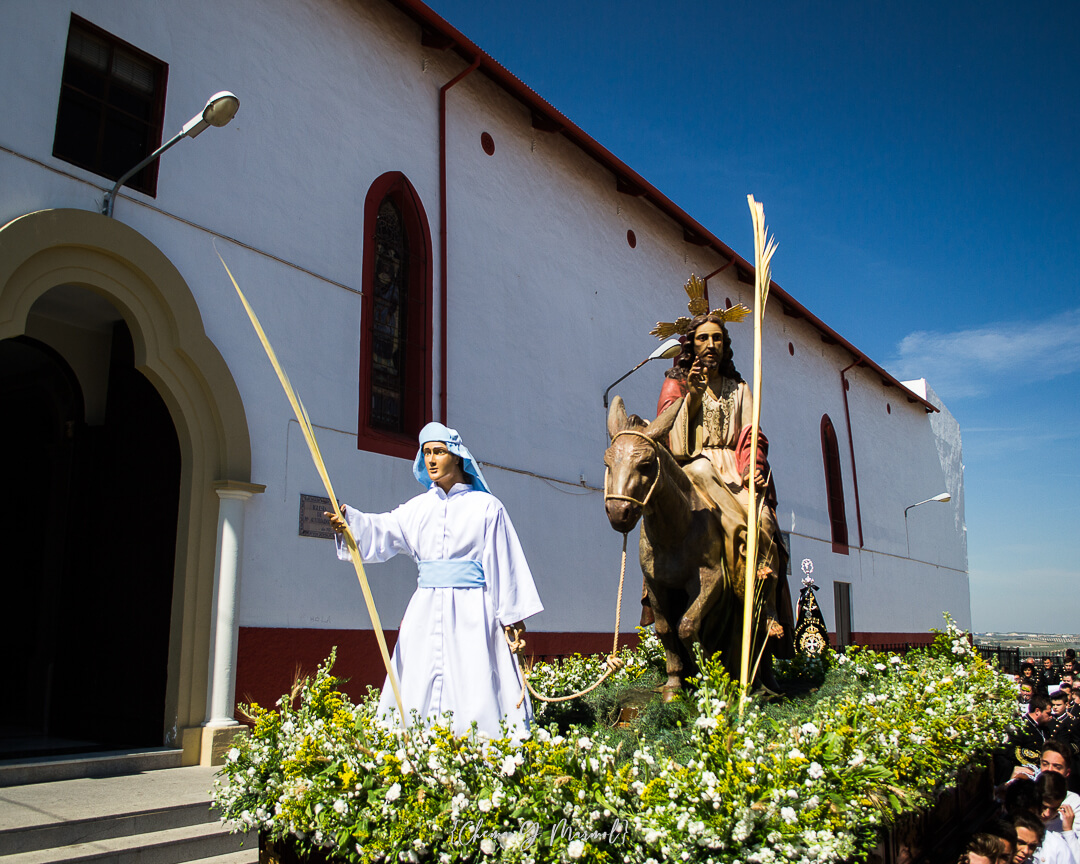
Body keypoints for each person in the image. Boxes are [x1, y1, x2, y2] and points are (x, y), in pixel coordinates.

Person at [327, 422, 543, 737]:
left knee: (475, 675)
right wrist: (350, 523)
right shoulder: (416, 509)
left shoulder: (487, 508)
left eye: (438, 452)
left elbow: (504, 563)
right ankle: (413, 743)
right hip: (425, 610)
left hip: (474, 611)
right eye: (426, 452)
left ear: (456, 456)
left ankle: (481, 746)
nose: (431, 459)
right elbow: (383, 530)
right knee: (417, 671)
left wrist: (512, 617)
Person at [654, 309, 794, 661]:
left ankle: (764, 597)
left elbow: (752, 435)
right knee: (701, 471)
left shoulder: (740, 389)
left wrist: (753, 468)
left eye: (717, 338)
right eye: (703, 338)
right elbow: (672, 438)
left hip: (734, 469)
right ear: (691, 344)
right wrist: (694, 397)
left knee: (763, 521)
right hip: (694, 468)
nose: (711, 344)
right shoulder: (677, 383)